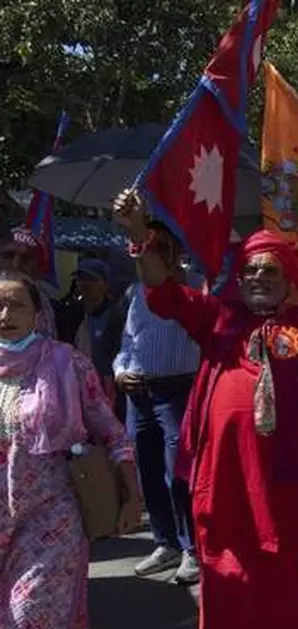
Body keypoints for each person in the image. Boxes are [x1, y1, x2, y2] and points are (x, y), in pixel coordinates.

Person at [111, 185, 298, 629]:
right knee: (224, 563)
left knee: (283, 564)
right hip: (222, 473)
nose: (258, 278)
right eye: (250, 270)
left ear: (288, 281)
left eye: (270, 270)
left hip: (283, 476)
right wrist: (138, 229)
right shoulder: (216, 318)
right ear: (239, 279)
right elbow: (163, 291)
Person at [0, 270, 142, 628]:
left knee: (31, 614)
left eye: (16, 306)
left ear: (37, 315)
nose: (5, 315)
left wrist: (131, 495)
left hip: (52, 515)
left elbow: (111, 431)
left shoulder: (66, 363)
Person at [113, 221, 203, 584]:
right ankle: (165, 542)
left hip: (178, 392)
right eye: (149, 246)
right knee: (148, 471)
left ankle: (192, 549)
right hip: (139, 394)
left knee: (178, 474)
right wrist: (120, 371)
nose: (156, 253)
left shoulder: (196, 285)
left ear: (177, 250)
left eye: (163, 245)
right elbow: (128, 343)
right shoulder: (135, 292)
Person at [72, 258, 126, 404]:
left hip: (108, 387)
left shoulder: (116, 315)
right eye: (81, 278)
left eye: (92, 279)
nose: (85, 284)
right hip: (76, 384)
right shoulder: (70, 313)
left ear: (105, 284)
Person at [0, 228, 56, 338]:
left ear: (38, 269)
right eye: (8, 256)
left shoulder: (53, 310)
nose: (16, 264)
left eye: (26, 258)